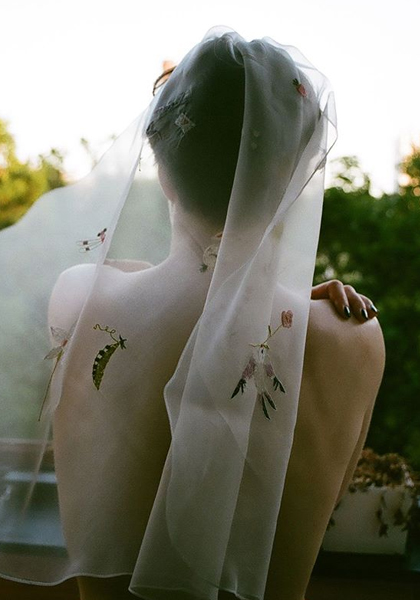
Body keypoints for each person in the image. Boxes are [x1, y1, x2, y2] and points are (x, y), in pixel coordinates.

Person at [0, 28, 384, 600]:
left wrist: (245, 297)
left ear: (161, 163)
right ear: (298, 171)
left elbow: (136, 281)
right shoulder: (353, 336)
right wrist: (277, 301)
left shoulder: (79, 300)